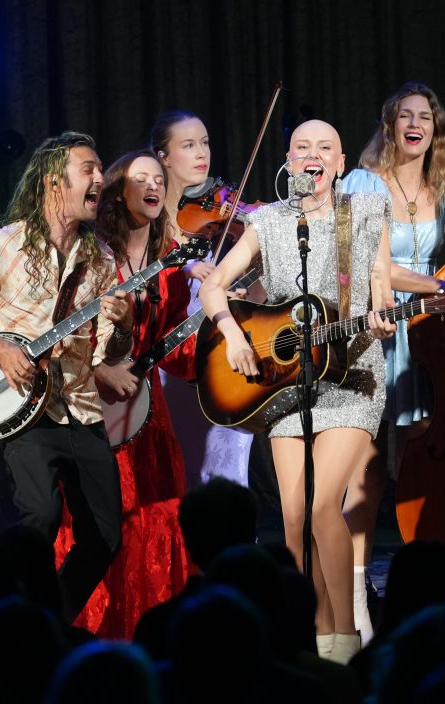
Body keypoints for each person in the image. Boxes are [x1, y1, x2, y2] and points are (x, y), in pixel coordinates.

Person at [199, 118, 397, 664]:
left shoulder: (365, 213)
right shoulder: (267, 222)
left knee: (321, 510)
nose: (314, 155)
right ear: (288, 160)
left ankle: (345, 645)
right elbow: (216, 285)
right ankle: (313, 634)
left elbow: (380, 286)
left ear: (338, 164)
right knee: (290, 517)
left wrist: (381, 318)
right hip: (287, 379)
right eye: (303, 147)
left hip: (352, 373)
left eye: (325, 148)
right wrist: (235, 336)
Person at [0, 131, 132, 621]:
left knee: (105, 536)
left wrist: (123, 326)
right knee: (40, 516)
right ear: (53, 181)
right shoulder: (3, 246)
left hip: (81, 408)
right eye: (89, 169)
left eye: (101, 170)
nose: (100, 179)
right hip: (24, 410)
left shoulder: (101, 258)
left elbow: (111, 350)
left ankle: (46, 623)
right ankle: (2, 619)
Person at [341, 81, 445, 641]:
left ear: (436, 128)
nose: (415, 124)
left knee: (428, 470)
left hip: (434, 344)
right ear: (389, 126)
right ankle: (355, 594)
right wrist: (436, 285)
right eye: (404, 115)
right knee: (369, 470)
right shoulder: (361, 183)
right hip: (377, 331)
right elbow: (367, 263)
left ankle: (428, 589)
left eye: (424, 116)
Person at [54, 149, 196, 638]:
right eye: (141, 179)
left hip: (148, 410)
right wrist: (99, 373)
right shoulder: (89, 254)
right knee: (102, 520)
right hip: (92, 404)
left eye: (159, 178)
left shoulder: (172, 263)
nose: (154, 186)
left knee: (156, 515)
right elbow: (61, 336)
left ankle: (152, 635)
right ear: (118, 191)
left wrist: (223, 322)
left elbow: (176, 351)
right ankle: (91, 635)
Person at [149, 110, 257, 489]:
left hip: (221, 353)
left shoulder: (222, 215)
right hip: (168, 361)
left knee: (228, 473)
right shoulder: (145, 222)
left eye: (206, 143)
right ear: (162, 156)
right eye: (189, 145)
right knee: (181, 474)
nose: (202, 154)